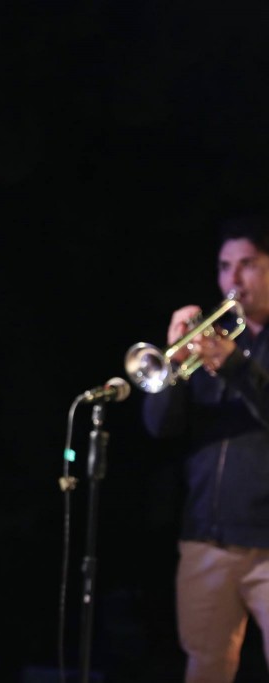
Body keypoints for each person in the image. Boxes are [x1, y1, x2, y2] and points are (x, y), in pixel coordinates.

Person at [141, 212, 269, 683]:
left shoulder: (231, 353)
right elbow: (159, 426)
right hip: (205, 539)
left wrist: (236, 368)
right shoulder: (212, 340)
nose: (233, 279)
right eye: (224, 266)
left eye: (248, 264)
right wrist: (173, 363)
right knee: (205, 670)